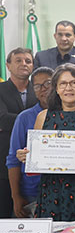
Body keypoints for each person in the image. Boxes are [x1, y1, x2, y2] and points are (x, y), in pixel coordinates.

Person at [18, 64, 75, 222]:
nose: (69, 88)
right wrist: (26, 155)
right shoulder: (43, 117)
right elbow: (36, 155)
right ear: (57, 89)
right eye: (63, 84)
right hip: (51, 193)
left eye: (74, 83)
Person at [6, 67, 53, 217]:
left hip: (66, 191)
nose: (43, 89)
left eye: (48, 83)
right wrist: (16, 196)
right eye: (38, 86)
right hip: (31, 193)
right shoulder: (24, 118)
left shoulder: (71, 114)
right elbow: (13, 160)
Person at [0, 48, 37, 217]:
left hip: (36, 167)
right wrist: (31, 121)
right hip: (4, 163)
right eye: (19, 60)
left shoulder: (40, 90)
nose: (24, 64)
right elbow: (2, 119)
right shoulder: (1, 89)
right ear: (8, 65)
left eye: (28, 61)